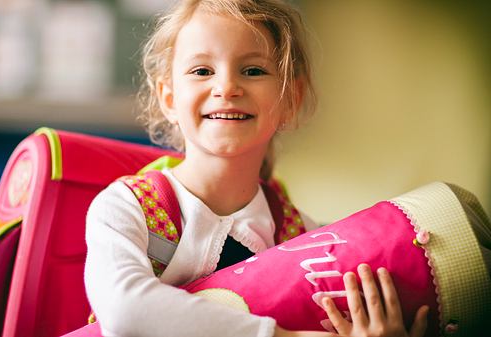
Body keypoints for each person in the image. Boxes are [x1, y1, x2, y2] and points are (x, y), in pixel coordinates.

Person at [84, 1, 428, 336]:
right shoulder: (127, 208)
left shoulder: (302, 236)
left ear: (290, 99)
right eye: (202, 71)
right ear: (170, 99)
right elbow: (125, 310)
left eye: (253, 71)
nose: (227, 87)